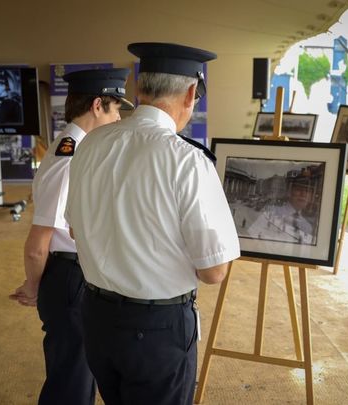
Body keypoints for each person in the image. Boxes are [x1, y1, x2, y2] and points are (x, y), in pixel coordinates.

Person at [65, 42, 240, 405]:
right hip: (157, 328)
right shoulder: (188, 161)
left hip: (97, 317)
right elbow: (214, 271)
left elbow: (73, 229)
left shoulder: (91, 144)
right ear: (192, 93)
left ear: (137, 90)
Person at [10, 68, 133, 405]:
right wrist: (33, 285)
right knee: (71, 382)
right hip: (67, 277)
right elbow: (39, 242)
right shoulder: (68, 157)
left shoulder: (78, 150)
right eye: (116, 108)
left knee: (81, 372)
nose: (119, 117)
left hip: (78, 275)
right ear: (97, 105)